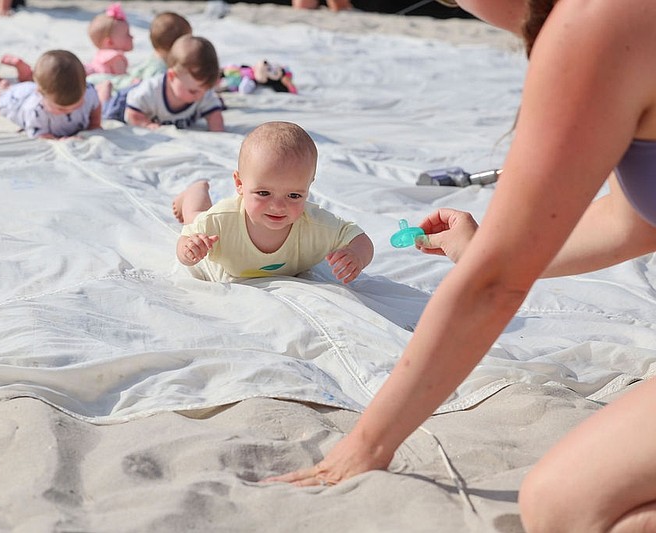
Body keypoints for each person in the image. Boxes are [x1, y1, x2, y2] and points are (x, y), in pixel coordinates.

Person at [266, 0, 656, 531]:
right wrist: (486, 249)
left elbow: (494, 287)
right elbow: (632, 219)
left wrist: (368, 441)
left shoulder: (596, 20)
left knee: (562, 509)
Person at [172, 121, 374, 283]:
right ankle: (196, 190)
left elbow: (360, 239)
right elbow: (184, 244)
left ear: (308, 187)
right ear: (240, 183)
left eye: (294, 196)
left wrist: (356, 255)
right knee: (195, 216)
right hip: (221, 245)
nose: (278, 206)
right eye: (263, 193)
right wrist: (189, 250)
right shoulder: (220, 221)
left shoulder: (315, 224)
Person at [0, 50, 101, 139]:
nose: (68, 111)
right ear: (41, 95)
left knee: (11, 88)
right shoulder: (35, 110)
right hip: (15, 101)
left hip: (29, 89)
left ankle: (8, 84)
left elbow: (96, 107)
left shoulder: (89, 92)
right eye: (60, 108)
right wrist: (62, 140)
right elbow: (41, 136)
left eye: (77, 104)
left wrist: (94, 125)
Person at [117, 35, 225, 131]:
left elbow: (214, 115)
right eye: (192, 91)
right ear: (172, 76)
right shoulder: (151, 91)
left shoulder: (201, 92)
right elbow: (132, 113)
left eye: (206, 89)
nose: (199, 96)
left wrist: (217, 129)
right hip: (124, 103)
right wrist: (146, 124)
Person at [94, 11, 192, 113]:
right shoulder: (159, 69)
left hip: (124, 80)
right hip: (121, 88)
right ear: (176, 45)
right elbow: (148, 94)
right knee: (109, 101)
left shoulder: (156, 60)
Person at [84, 3, 133, 77]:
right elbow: (122, 79)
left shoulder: (101, 54)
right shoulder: (116, 57)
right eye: (127, 34)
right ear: (110, 42)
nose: (132, 37)